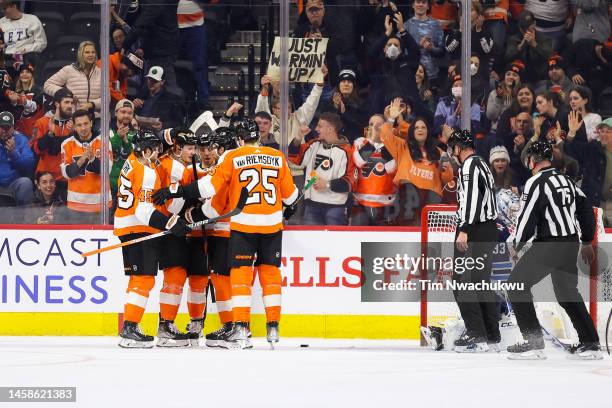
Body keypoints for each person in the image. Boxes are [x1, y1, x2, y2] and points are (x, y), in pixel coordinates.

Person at [154, 120, 298, 350]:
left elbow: (210, 192)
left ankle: (239, 327)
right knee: (270, 273)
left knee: (240, 275)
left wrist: (181, 195)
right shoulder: (277, 156)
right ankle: (272, 326)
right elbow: (291, 197)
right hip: (272, 225)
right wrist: (290, 206)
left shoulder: (233, 157)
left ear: (239, 140)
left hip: (243, 223)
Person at [506, 141, 602, 360]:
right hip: (570, 244)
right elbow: (587, 212)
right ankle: (590, 344)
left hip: (550, 245)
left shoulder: (535, 182)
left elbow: (528, 218)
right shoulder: (568, 182)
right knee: (567, 293)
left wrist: (517, 245)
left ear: (534, 159)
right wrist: (586, 240)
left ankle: (533, 343)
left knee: (515, 285)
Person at [114, 130, 191, 348]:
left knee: (136, 278)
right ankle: (130, 328)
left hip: (123, 227)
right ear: (146, 150)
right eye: (154, 149)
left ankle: (131, 326)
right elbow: (144, 210)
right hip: (138, 228)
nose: (158, 153)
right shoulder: (146, 171)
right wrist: (171, 223)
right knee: (144, 279)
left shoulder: (129, 162)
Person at [446, 128, 500, 352]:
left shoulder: (469, 166)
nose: (452, 153)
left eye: (453, 149)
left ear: (459, 148)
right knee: (480, 282)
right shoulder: (482, 164)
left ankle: (476, 333)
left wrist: (465, 229)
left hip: (475, 229)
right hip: (487, 229)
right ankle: (491, 335)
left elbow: (471, 200)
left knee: (461, 280)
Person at [382, 100, 454, 225]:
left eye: (423, 127)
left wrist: (446, 169)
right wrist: (391, 119)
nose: (420, 130)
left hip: (431, 201)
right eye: (416, 127)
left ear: (427, 132)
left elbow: (447, 179)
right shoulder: (403, 147)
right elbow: (385, 136)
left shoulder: (438, 152)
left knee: (428, 240)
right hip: (408, 201)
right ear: (412, 132)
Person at [290, 112, 357, 226]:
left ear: (330, 129)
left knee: (335, 242)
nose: (316, 129)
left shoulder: (347, 151)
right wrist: (298, 137)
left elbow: (351, 182)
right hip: (312, 205)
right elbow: (294, 158)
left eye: (320, 126)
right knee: (312, 243)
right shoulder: (314, 144)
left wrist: (327, 184)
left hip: (335, 208)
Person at [60, 110, 110, 223]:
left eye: (86, 123)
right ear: (74, 127)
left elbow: (107, 170)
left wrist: (92, 158)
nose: (83, 128)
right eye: (79, 125)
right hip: (76, 204)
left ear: (91, 123)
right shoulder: (66, 144)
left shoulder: (104, 141)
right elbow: (67, 174)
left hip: (101, 204)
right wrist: (82, 159)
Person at [351, 114, 397, 226]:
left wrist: (383, 142)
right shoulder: (359, 142)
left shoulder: (393, 145)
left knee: (381, 243)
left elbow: (391, 169)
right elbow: (359, 161)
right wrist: (372, 140)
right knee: (357, 241)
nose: (374, 127)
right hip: (360, 203)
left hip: (385, 204)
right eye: (371, 124)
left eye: (378, 125)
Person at [121, 0, 180, 88]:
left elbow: (143, 22)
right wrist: (143, 47)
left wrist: (125, 45)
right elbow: (151, 25)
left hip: (162, 51)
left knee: (166, 85)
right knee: (153, 85)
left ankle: (173, 101)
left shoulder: (157, 3)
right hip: (157, 48)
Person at [31, 88, 74, 199]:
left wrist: (74, 135)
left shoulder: (76, 125)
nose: (70, 105)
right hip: (46, 180)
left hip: (66, 180)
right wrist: (49, 134)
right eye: (66, 102)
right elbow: (35, 149)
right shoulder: (42, 122)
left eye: (72, 102)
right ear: (57, 104)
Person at [43, 41, 102, 117]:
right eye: (87, 52)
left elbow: (106, 99)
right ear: (81, 54)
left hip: (96, 117)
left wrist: (91, 104)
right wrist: (65, 94)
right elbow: (47, 85)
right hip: (72, 117)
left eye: (93, 52)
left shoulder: (101, 73)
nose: (91, 55)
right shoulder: (69, 70)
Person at [319, 69, 368, 143]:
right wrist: (335, 108)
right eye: (343, 81)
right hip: (332, 144)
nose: (346, 84)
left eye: (349, 82)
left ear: (353, 86)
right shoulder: (328, 104)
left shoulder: (362, 104)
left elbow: (362, 124)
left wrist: (344, 112)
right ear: (338, 85)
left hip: (352, 143)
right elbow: (325, 125)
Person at [505, 11, 553, 83]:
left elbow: (549, 56)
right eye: (523, 27)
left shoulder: (544, 38)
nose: (525, 30)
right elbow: (507, 57)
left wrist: (534, 44)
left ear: (534, 24)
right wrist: (520, 47)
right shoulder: (513, 39)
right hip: (519, 78)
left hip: (540, 77)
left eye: (527, 26)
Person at [178, 0, 210, 109]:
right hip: (170, 26)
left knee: (199, 64)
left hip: (195, 25)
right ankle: (173, 101)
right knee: (169, 65)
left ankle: (203, 99)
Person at [133, 66, 185, 132]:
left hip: (159, 134)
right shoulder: (141, 95)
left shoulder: (171, 99)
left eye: (155, 81)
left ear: (162, 82)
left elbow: (178, 123)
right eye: (149, 79)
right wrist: (133, 107)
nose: (151, 82)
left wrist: (163, 125)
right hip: (139, 131)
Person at [405, 0, 445, 84]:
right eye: (418, 2)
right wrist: (418, 46)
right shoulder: (406, 26)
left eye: (423, 2)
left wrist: (432, 49)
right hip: (411, 73)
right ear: (413, 5)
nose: (420, 4)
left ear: (428, 6)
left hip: (432, 75)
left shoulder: (436, 25)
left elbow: (442, 51)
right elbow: (402, 51)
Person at [0, 111, 33, 205]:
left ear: (13, 128)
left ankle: (22, 217)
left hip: (13, 184)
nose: (4, 131)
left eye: (7, 127)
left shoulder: (21, 139)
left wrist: (13, 154)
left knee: (25, 183)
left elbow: (29, 165)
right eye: (2, 127)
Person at [0, 0, 46, 66]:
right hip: (6, 58)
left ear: (14, 6)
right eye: (2, 9)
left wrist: (26, 49)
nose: (2, 11)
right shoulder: (1, 22)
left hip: (26, 57)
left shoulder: (32, 20)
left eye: (5, 8)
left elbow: (41, 43)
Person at [110, 99, 137, 205]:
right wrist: (118, 137)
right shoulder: (106, 131)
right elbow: (103, 151)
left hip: (129, 186)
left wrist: (126, 141)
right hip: (109, 186)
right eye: (123, 112)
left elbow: (136, 157)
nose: (126, 115)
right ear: (116, 113)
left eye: (130, 113)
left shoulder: (137, 135)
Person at [486, 61, 525, 134]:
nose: (511, 77)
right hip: (496, 132)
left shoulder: (522, 95)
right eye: (508, 74)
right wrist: (499, 98)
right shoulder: (494, 93)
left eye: (515, 75)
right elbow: (490, 116)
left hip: (516, 133)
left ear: (519, 79)